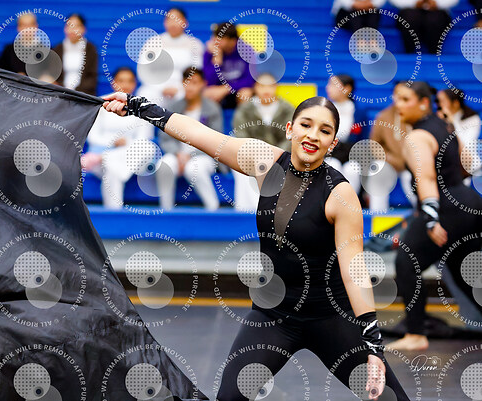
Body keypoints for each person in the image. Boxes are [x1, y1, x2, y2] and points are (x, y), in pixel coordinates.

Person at [102, 91, 413, 401]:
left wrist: (373, 345)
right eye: (306, 125)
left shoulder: (340, 195)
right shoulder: (265, 162)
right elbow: (199, 134)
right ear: (290, 129)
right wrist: (137, 105)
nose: (313, 135)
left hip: (331, 318)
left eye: (324, 130)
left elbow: (354, 269)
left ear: (332, 143)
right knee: (230, 399)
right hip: (273, 316)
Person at [387, 82, 482, 351]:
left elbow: (426, 178)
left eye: (405, 99)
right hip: (469, 203)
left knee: (407, 261)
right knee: (465, 273)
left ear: (423, 103)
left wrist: (430, 218)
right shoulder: (445, 125)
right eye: (396, 99)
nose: (398, 105)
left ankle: (416, 334)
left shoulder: (417, 137)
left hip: (445, 208)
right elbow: (466, 166)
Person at [81, 67, 153, 209]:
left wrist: (126, 143)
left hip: (127, 155)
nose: (125, 85)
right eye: (121, 81)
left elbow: (144, 138)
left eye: (129, 81)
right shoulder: (101, 104)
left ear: (135, 83)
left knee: (148, 148)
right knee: (111, 165)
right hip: (101, 155)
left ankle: (113, 211)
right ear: (113, 83)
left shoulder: (143, 106)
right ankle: (114, 209)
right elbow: (92, 137)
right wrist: (113, 142)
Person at [156, 67, 221, 210]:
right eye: (187, 82)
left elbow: (215, 141)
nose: (190, 87)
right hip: (177, 154)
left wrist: (190, 155)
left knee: (193, 168)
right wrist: (178, 153)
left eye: (195, 83)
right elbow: (165, 138)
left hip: (205, 155)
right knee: (164, 164)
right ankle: (166, 210)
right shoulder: (173, 107)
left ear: (203, 84)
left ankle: (213, 207)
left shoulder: (212, 108)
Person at [231, 72, 294, 211]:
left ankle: (268, 211)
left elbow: (291, 137)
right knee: (242, 166)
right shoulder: (245, 109)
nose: (266, 90)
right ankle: (245, 211)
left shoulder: (287, 109)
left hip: (281, 156)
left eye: (270, 86)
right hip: (251, 154)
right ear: (255, 88)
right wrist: (257, 154)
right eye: (262, 86)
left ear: (276, 87)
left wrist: (276, 155)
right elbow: (241, 134)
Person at [137, 7, 204, 108]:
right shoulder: (153, 42)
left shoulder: (195, 44)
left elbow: (197, 72)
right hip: (156, 89)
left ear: (185, 22)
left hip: (183, 89)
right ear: (165, 22)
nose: (173, 23)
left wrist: (179, 88)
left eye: (177, 19)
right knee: (144, 95)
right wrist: (161, 88)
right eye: (169, 19)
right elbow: (144, 70)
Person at [369, 82, 416, 212]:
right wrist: (388, 158)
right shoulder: (384, 116)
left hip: (413, 164)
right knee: (377, 169)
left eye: (404, 96)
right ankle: (377, 213)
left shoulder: (417, 115)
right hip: (390, 162)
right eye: (397, 94)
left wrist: (409, 162)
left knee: (411, 176)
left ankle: (425, 213)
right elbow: (374, 143)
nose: (399, 99)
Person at [324, 74, 367, 194]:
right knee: (333, 165)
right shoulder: (325, 110)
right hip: (330, 153)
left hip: (351, 154)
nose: (328, 88)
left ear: (347, 88)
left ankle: (351, 202)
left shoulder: (359, 112)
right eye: (329, 84)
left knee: (352, 169)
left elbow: (363, 140)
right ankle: (331, 201)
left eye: (333, 85)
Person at [202, 22, 255, 109]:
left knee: (246, 93)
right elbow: (208, 81)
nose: (217, 42)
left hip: (237, 89)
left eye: (221, 39)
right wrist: (217, 59)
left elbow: (249, 80)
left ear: (233, 41)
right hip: (217, 90)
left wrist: (226, 88)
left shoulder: (246, 51)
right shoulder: (210, 52)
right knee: (207, 94)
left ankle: (243, 118)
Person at [389, 0, 459, 54]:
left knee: (435, 20)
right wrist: (414, 3)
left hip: (439, 11)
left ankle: (434, 54)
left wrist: (436, 3)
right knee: (410, 19)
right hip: (409, 10)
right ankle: (409, 53)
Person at [53, 13, 98, 95]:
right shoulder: (57, 49)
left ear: (83, 29)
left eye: (77, 26)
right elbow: (54, 76)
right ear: (65, 29)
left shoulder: (91, 49)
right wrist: (63, 90)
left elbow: (92, 78)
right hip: (61, 94)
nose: (72, 30)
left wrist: (75, 92)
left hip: (84, 95)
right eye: (69, 26)